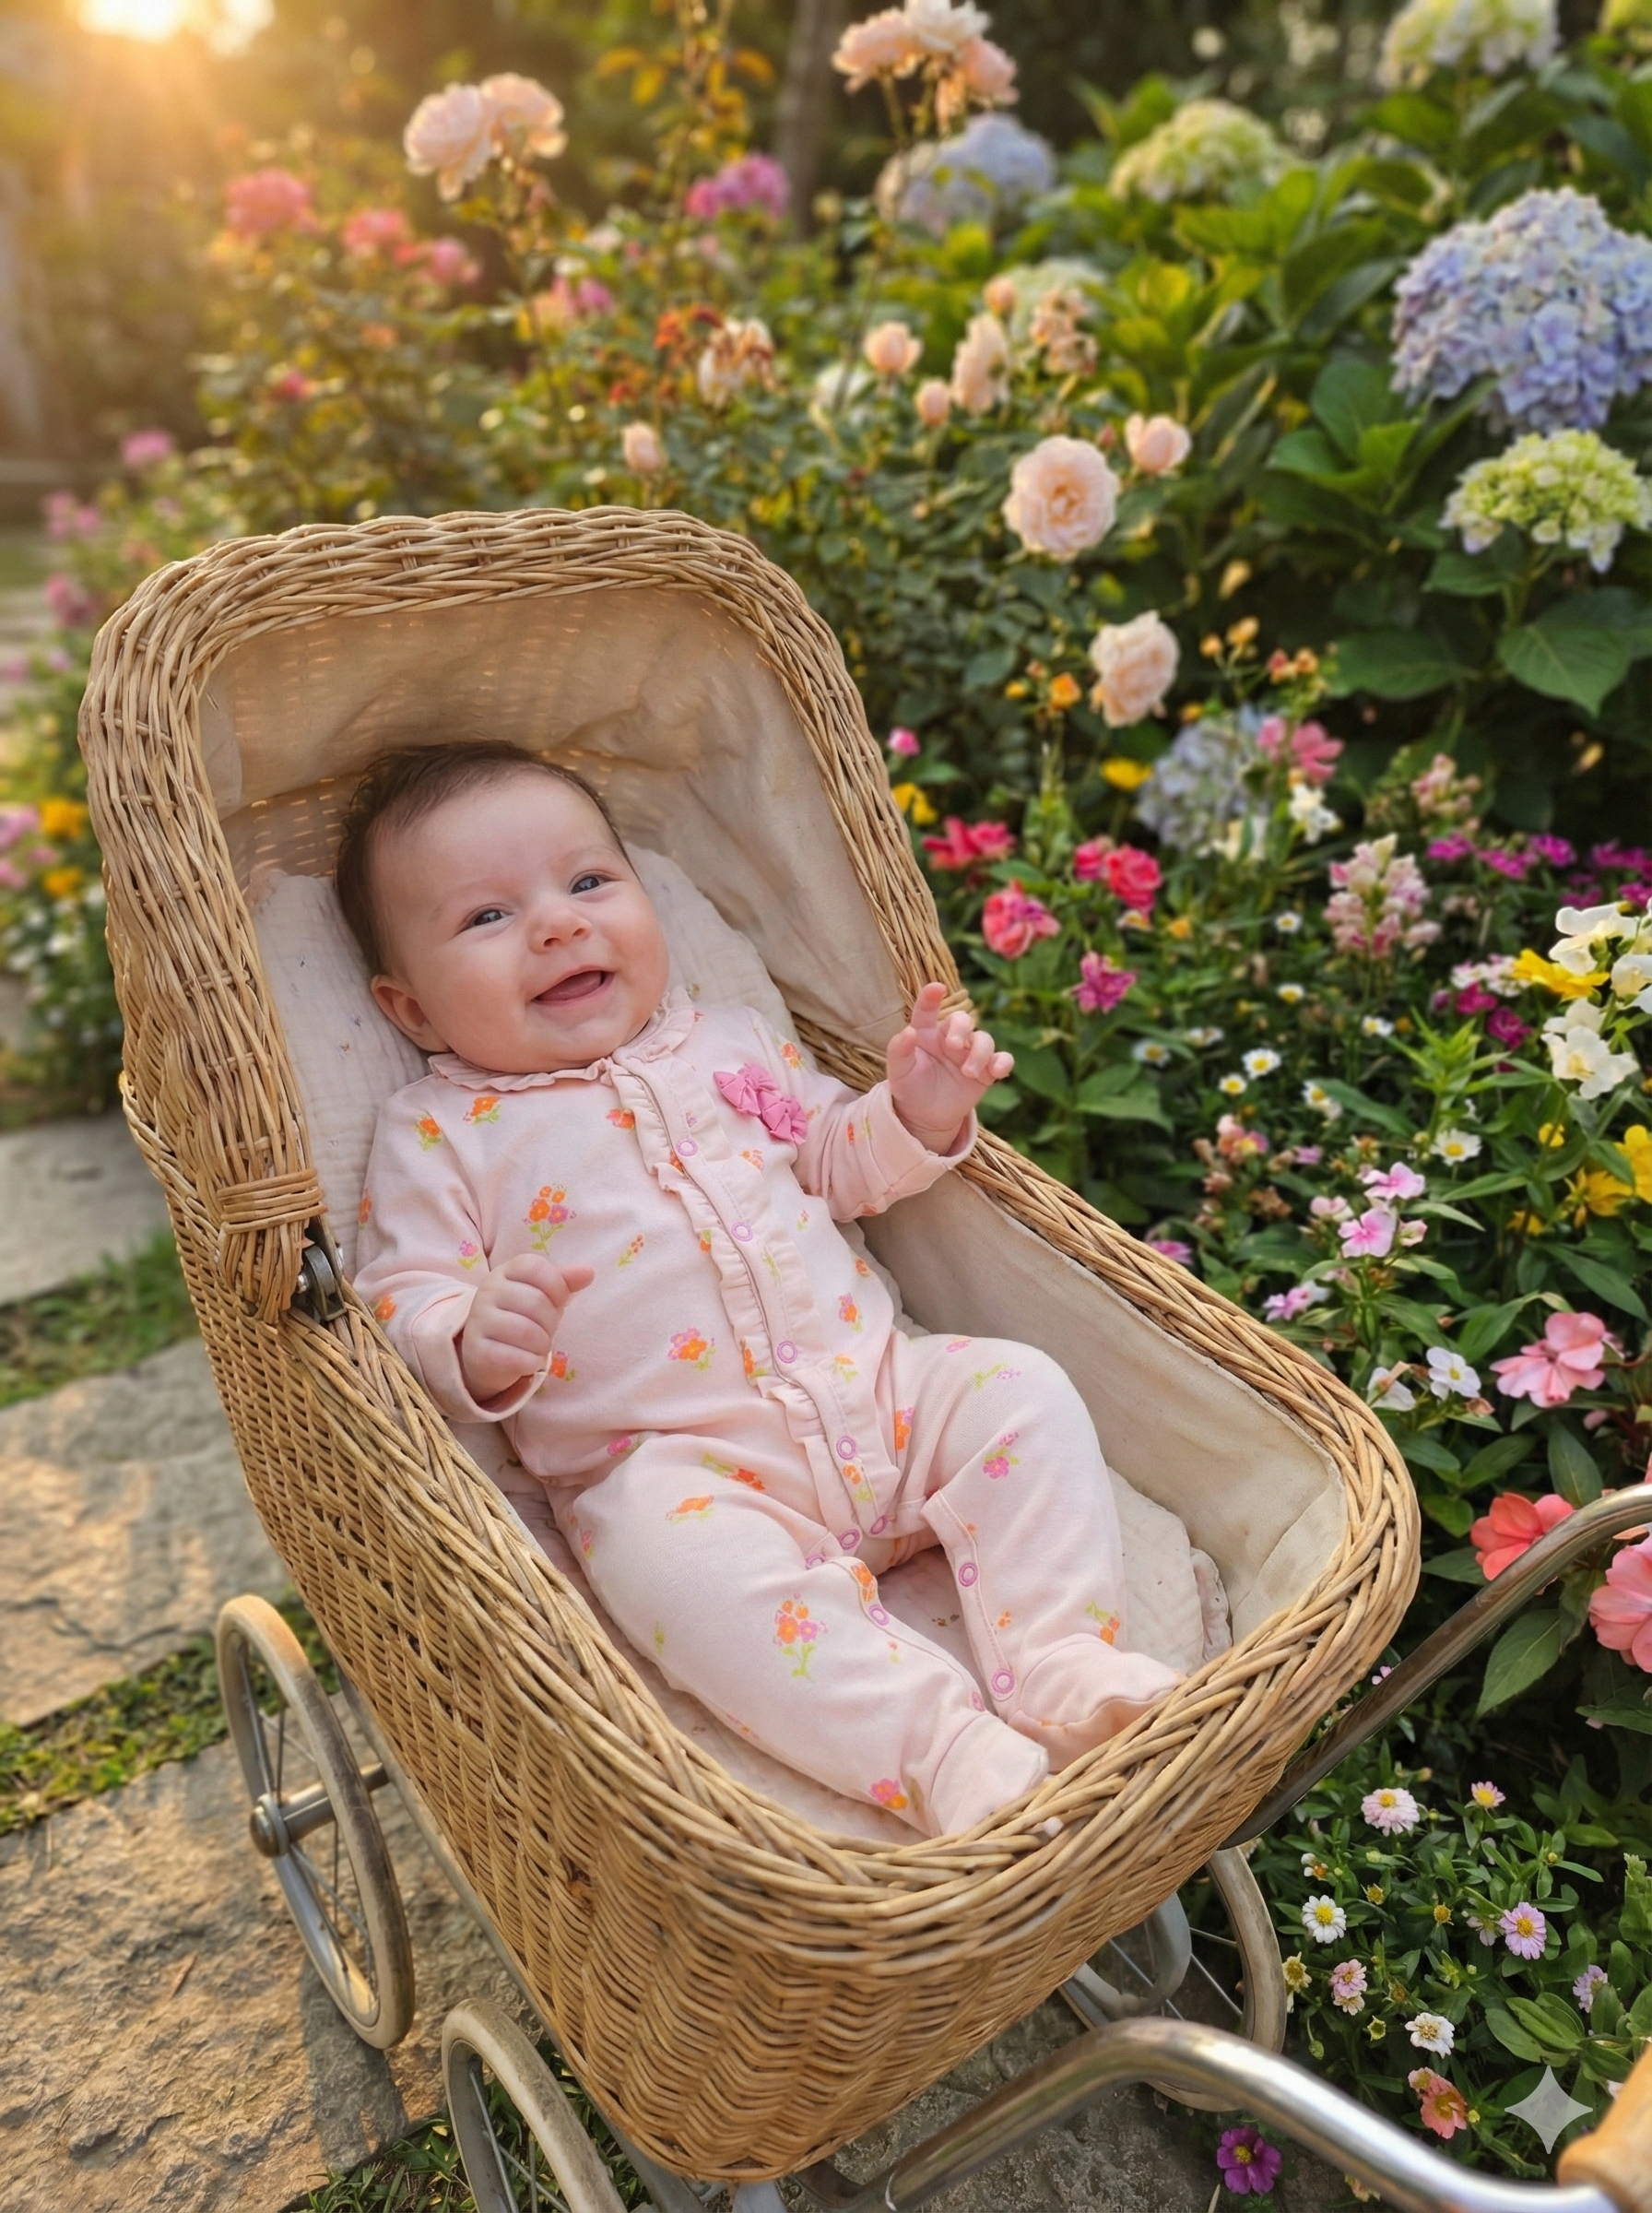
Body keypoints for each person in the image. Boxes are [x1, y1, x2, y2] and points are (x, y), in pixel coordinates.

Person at [347, 741, 1179, 1835]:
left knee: (1019, 1387)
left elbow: (837, 1161)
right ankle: (941, 1749)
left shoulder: (731, 1041)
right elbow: (398, 1289)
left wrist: (915, 1111)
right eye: (486, 919)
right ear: (408, 1011)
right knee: (667, 1569)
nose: (556, 924)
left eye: (588, 883)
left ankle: (1061, 1659)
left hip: (887, 1397)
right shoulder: (441, 1133)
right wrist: (466, 1335)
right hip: (687, 1475)